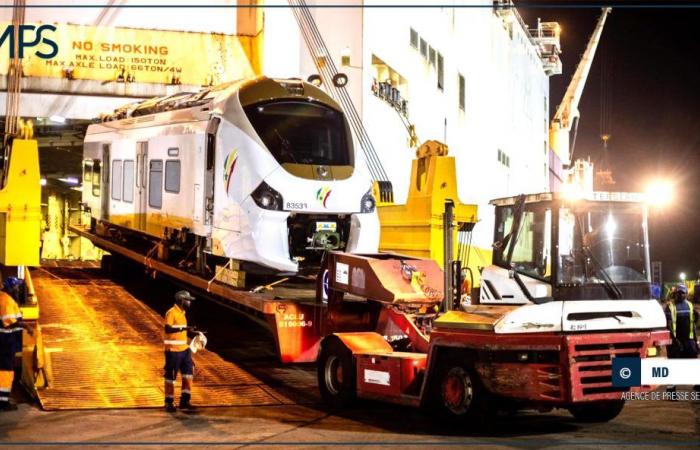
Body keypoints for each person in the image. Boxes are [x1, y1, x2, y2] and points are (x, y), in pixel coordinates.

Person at [0, 277, 32, 411]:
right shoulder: (6, 300)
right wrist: (27, 326)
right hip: (5, 342)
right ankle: (3, 401)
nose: (19, 291)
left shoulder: (3, 297)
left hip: (5, 341)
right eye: (18, 288)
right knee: (6, 371)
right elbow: (9, 322)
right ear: (12, 288)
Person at [163, 290, 197, 412]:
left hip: (184, 350)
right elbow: (168, 329)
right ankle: (169, 402)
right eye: (188, 300)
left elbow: (181, 331)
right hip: (173, 351)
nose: (189, 302)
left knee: (188, 374)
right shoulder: (171, 313)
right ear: (182, 300)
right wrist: (184, 328)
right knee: (170, 377)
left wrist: (192, 333)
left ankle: (185, 400)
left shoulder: (183, 313)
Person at [664, 284, 699, 393]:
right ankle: (671, 391)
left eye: (682, 293)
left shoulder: (690, 305)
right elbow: (668, 325)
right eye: (678, 293)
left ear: (686, 294)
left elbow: (692, 324)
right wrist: (675, 341)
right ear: (675, 294)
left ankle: (697, 387)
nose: (680, 295)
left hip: (688, 341)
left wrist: (695, 341)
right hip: (675, 341)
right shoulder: (670, 306)